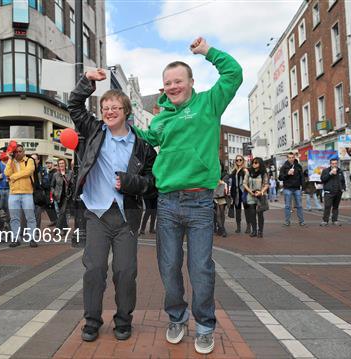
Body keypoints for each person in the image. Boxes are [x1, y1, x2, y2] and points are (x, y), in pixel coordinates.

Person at [133, 37, 242, 354]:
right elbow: (146, 136)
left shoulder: (209, 103)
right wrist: (120, 121)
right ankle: (177, 318)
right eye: (167, 83)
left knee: (200, 269)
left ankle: (205, 326)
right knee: (168, 268)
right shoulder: (162, 118)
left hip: (199, 204)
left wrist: (209, 52)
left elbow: (234, 74)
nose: (172, 86)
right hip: (167, 203)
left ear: (191, 82)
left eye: (178, 81)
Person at [68, 68, 157, 343]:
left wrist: (133, 183)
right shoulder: (94, 132)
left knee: (126, 272)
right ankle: (92, 321)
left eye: (115, 107)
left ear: (126, 111)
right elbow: (74, 104)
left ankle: (123, 320)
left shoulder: (142, 147)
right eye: (105, 107)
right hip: (96, 214)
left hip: (126, 218)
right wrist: (88, 82)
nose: (109, 111)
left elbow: (153, 181)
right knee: (94, 270)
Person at [4, 143, 38, 248]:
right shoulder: (11, 161)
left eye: (20, 151)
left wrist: (13, 177)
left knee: (30, 217)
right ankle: (16, 239)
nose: (18, 153)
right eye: (16, 151)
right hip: (13, 193)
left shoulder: (30, 160)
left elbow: (28, 172)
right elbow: (6, 173)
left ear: (24, 152)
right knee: (14, 218)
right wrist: (10, 159)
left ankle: (32, 239)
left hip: (27, 193)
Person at [243, 158, 269, 238]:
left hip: (260, 195)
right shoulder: (249, 172)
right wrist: (250, 192)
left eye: (256, 162)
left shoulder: (263, 173)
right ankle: (254, 230)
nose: (254, 164)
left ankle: (260, 231)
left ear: (260, 163)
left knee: (260, 214)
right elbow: (244, 183)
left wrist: (261, 192)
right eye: (253, 162)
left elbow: (266, 184)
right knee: (252, 214)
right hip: (251, 195)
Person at [278, 152, 305, 226]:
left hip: (297, 188)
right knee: (287, 206)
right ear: (287, 158)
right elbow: (280, 178)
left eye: (292, 157)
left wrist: (303, 187)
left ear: (294, 157)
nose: (291, 159)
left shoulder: (298, 166)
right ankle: (287, 222)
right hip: (287, 188)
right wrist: (287, 174)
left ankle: (302, 221)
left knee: (299, 205)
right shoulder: (284, 167)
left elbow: (302, 177)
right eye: (289, 157)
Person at [320, 158, 345, 226]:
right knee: (327, 206)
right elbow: (322, 179)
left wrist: (343, 188)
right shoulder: (326, 170)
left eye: (335, 163)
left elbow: (343, 181)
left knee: (336, 207)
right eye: (333, 163)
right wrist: (330, 173)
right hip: (329, 192)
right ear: (330, 164)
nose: (334, 165)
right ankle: (325, 220)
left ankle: (335, 220)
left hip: (338, 191)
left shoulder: (340, 171)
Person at [229, 155, 251, 234]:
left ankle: (249, 226)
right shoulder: (233, 171)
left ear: (243, 161)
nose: (238, 162)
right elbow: (230, 182)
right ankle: (238, 227)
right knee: (237, 210)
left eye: (240, 160)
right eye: (237, 160)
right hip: (236, 192)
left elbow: (248, 180)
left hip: (244, 191)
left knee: (247, 209)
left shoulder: (245, 170)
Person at [51, 158, 73, 230]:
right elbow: (52, 186)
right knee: (61, 213)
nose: (61, 165)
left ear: (65, 164)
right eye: (60, 163)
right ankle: (65, 228)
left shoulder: (70, 173)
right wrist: (54, 193)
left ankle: (57, 228)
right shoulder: (55, 174)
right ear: (58, 165)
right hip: (58, 196)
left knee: (62, 212)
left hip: (67, 196)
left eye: (62, 163)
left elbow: (72, 184)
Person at [213, 161, 230, 237]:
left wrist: (218, 180)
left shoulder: (225, 174)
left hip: (222, 196)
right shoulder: (212, 174)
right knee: (217, 213)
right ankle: (222, 229)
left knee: (222, 212)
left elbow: (223, 182)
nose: (218, 167)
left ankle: (220, 228)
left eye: (219, 166)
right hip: (214, 195)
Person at [42, 159, 57, 226]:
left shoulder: (54, 172)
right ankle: (54, 220)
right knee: (49, 206)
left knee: (53, 206)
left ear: (52, 164)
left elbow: (51, 183)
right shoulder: (47, 172)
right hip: (47, 192)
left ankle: (56, 221)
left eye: (49, 163)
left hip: (52, 192)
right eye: (47, 163)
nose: (48, 164)